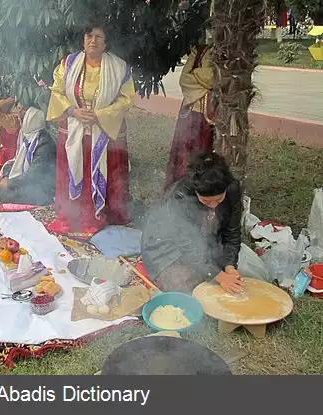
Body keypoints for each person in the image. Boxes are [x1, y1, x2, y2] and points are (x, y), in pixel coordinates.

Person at [46, 22, 135, 235]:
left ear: (106, 43)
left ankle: (104, 213)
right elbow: (56, 92)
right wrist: (73, 111)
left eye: (98, 37)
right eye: (89, 36)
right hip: (74, 127)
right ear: (83, 40)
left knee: (105, 168)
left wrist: (100, 115)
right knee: (76, 166)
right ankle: (73, 214)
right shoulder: (68, 64)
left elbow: (126, 99)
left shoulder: (119, 67)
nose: (93, 41)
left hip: (104, 130)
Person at [142, 152, 244, 295]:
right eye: (206, 201)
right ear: (196, 192)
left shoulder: (233, 189)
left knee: (232, 279)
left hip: (205, 241)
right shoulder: (179, 197)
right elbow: (186, 244)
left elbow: (232, 232)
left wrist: (230, 266)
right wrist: (218, 275)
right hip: (168, 247)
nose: (213, 206)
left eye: (219, 200)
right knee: (189, 288)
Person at [165, 42, 215, 190]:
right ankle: (181, 190)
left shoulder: (230, 53)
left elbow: (220, 80)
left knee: (208, 156)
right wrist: (209, 85)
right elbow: (185, 80)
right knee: (184, 157)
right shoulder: (199, 51)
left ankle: (206, 193)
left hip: (213, 118)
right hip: (191, 115)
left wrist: (197, 73)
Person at [0, 107, 56, 206]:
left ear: (29, 121)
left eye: (21, 121)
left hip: (43, 188)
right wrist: (6, 177)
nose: (20, 124)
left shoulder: (45, 143)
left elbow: (33, 175)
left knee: (5, 192)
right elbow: (15, 161)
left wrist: (10, 183)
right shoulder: (29, 137)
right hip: (27, 182)